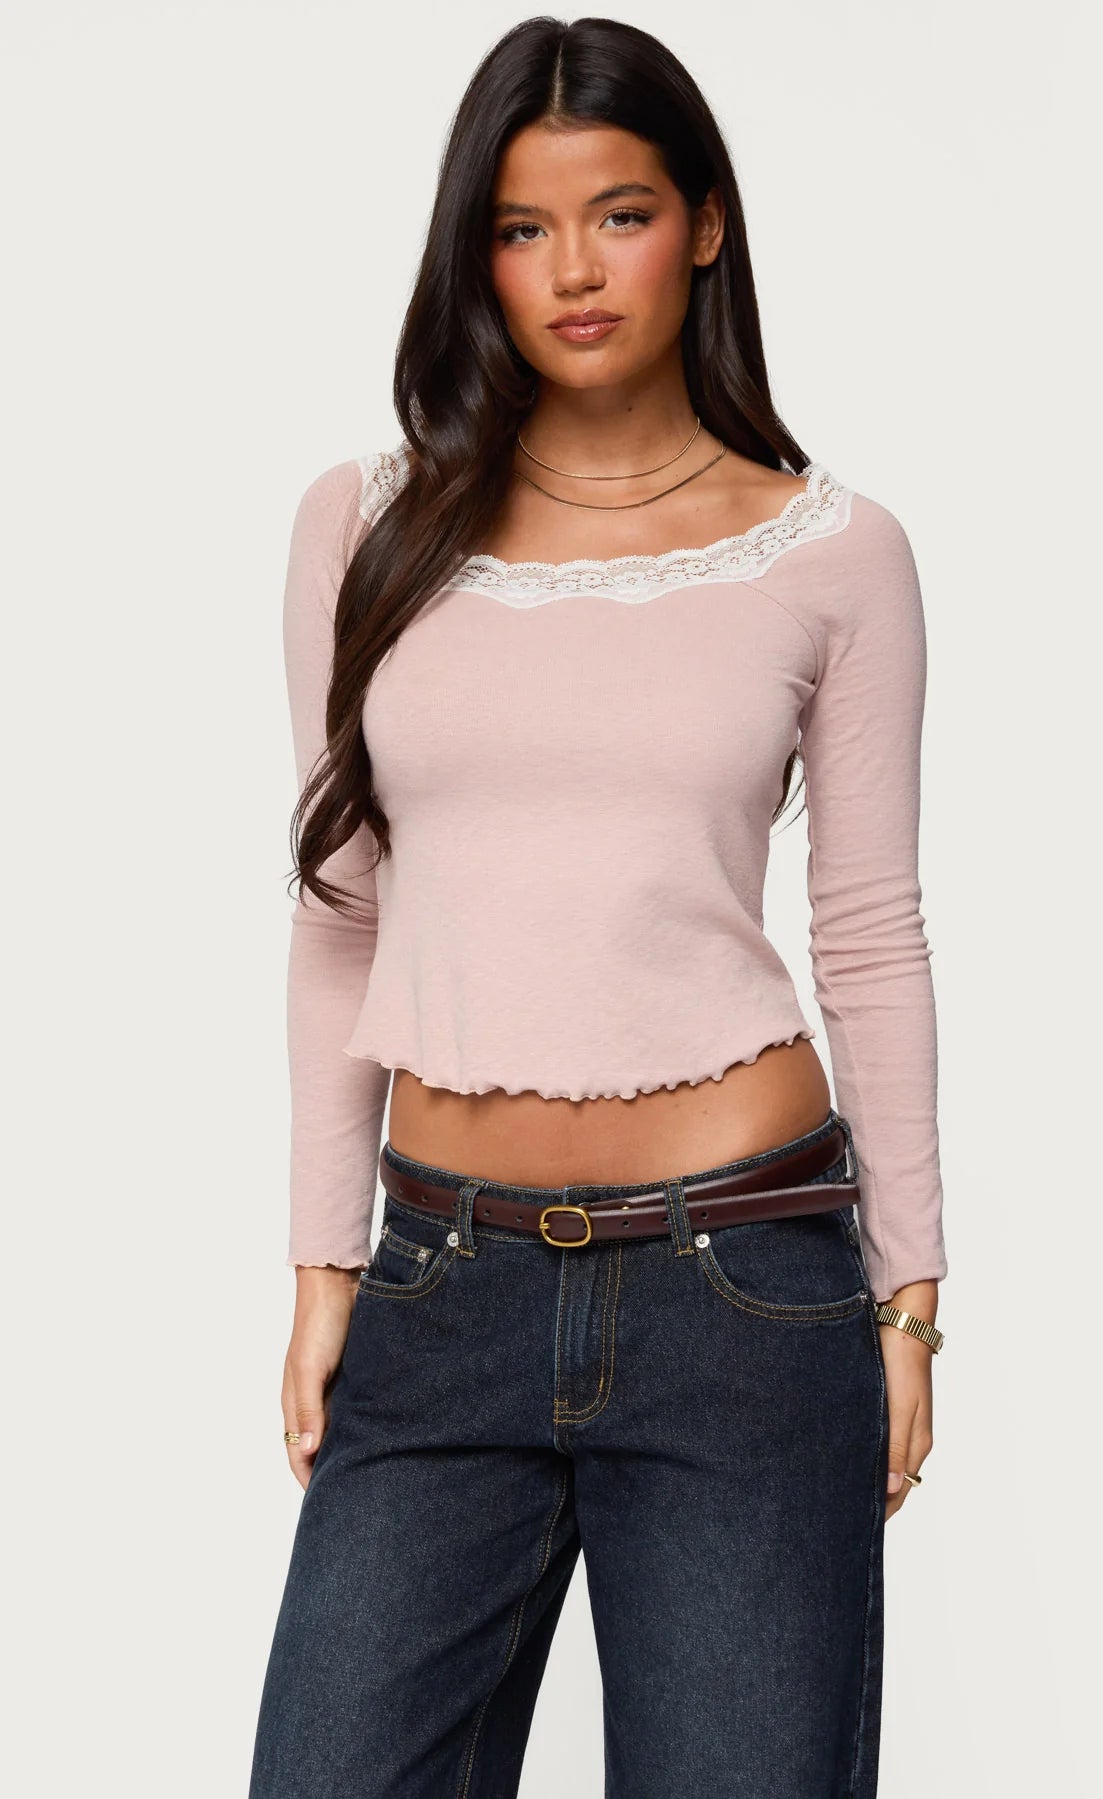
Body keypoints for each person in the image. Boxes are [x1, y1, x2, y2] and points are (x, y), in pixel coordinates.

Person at [248, 16, 948, 1798]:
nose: (571, 271)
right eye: (521, 226)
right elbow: (341, 917)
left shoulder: (833, 554)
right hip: (439, 1279)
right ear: (474, 251)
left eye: (619, 215)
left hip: (745, 1291)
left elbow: (870, 933)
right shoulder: (368, 526)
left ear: (703, 226)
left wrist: (912, 1292)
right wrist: (324, 1267)